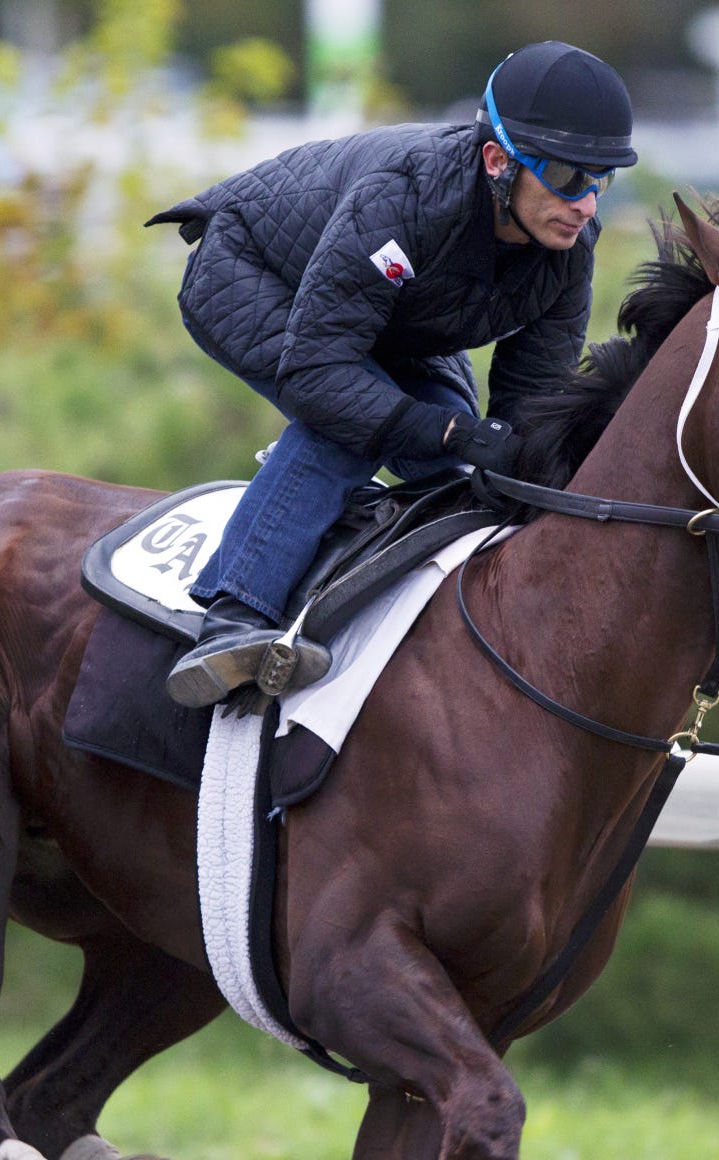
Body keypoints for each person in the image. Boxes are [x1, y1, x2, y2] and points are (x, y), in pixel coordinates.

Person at [148, 39, 637, 709]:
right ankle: (234, 616)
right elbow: (321, 372)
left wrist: (509, 454)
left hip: (391, 315)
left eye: (601, 179)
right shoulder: (406, 199)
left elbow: (532, 398)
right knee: (356, 424)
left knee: (464, 469)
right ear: (497, 161)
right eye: (567, 176)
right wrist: (446, 429)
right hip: (252, 275)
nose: (586, 204)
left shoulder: (570, 246)